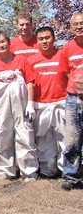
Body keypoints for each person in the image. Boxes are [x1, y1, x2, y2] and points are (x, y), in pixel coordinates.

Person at [0, 29, 39, 181]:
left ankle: (29, 171)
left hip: (22, 106)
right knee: (2, 136)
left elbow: (30, 83)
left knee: (25, 136)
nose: (1, 45)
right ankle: (6, 171)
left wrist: (30, 104)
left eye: (3, 41)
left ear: (9, 42)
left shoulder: (21, 61)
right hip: (1, 108)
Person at [28, 26, 68, 178]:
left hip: (61, 103)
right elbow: (29, 85)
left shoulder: (63, 56)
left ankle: (66, 170)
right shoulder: (32, 61)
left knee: (64, 139)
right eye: (41, 39)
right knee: (44, 140)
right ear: (37, 41)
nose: (44, 41)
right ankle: (47, 170)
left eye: (47, 38)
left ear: (54, 38)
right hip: (41, 105)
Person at [59, 12, 83, 190]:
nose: (79, 27)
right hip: (73, 99)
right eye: (76, 24)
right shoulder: (67, 48)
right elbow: (64, 73)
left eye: (82, 23)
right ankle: (71, 177)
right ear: (71, 28)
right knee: (72, 139)